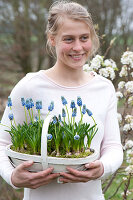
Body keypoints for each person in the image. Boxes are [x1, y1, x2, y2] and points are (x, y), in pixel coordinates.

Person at [0, 1, 123, 200]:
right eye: (68, 39)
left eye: (84, 38)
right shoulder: (30, 86)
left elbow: (113, 147)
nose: (78, 47)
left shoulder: (104, 88)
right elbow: (2, 142)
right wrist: (13, 176)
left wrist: (102, 168)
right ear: (52, 39)